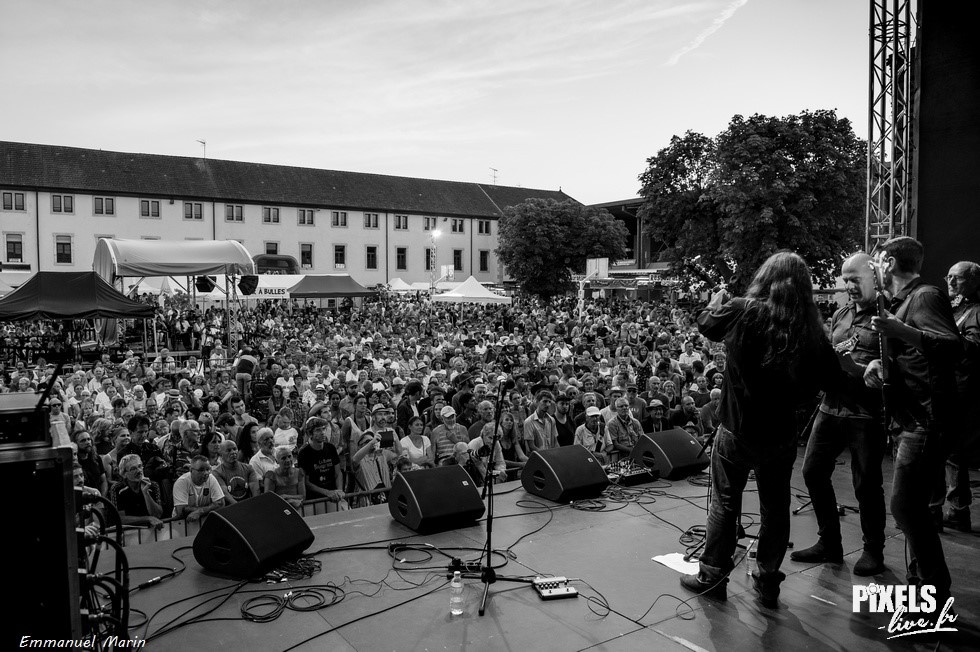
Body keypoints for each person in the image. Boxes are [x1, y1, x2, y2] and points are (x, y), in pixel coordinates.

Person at [680, 251, 840, 608]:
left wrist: (715, 302)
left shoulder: (744, 310)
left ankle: (711, 577)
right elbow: (831, 379)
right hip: (780, 434)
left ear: (765, 279)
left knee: (724, 503)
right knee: (776, 507)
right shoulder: (810, 329)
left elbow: (706, 324)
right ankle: (768, 582)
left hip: (737, 428)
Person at [864, 237, 959, 606]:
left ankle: (933, 593)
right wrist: (879, 364)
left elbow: (952, 348)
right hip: (910, 418)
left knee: (905, 507)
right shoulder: (901, 303)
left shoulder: (925, 296)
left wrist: (901, 331)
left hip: (926, 420)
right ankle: (921, 586)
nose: (872, 270)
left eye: (875, 263)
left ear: (888, 263)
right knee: (913, 507)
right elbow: (912, 358)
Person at [791, 252, 888, 576]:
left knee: (867, 486)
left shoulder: (887, 317)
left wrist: (856, 368)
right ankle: (829, 542)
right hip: (831, 406)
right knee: (812, 472)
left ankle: (873, 551)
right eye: (845, 280)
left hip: (865, 413)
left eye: (855, 279)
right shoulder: (841, 314)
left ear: (873, 277)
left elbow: (892, 371)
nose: (849, 285)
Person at [941, 260, 980, 532]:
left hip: (961, 391)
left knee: (953, 450)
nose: (951, 282)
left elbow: (973, 350)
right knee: (949, 450)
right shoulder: (955, 308)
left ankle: (958, 510)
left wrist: (943, 336)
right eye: (949, 277)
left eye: (958, 278)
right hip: (949, 388)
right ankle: (956, 508)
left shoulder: (976, 311)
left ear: (974, 282)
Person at [297, 417, 345, 511]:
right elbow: (306, 481)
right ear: (310, 433)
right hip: (314, 499)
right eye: (318, 430)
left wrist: (339, 490)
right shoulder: (304, 453)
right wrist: (327, 492)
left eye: (323, 429)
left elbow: (338, 473)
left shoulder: (331, 448)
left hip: (333, 496)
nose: (322, 432)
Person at [109, 453, 164, 529]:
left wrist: (146, 493)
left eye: (140, 466)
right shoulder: (117, 488)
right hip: (129, 531)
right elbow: (119, 518)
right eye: (133, 469)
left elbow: (157, 515)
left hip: (152, 529)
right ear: (124, 474)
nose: (139, 471)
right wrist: (147, 518)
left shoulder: (153, 485)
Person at [172, 455, 226, 521]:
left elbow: (221, 504)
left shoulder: (211, 478)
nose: (206, 473)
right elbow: (181, 511)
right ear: (191, 470)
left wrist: (200, 511)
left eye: (208, 469)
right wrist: (210, 508)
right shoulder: (181, 482)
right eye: (201, 470)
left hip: (204, 519)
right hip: (182, 522)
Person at [212, 439, 260, 504]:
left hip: (249, 504)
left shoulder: (249, 468)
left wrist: (255, 504)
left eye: (235, 449)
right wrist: (239, 507)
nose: (233, 452)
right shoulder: (217, 473)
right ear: (221, 455)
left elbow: (255, 490)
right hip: (231, 507)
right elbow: (225, 494)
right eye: (228, 450)